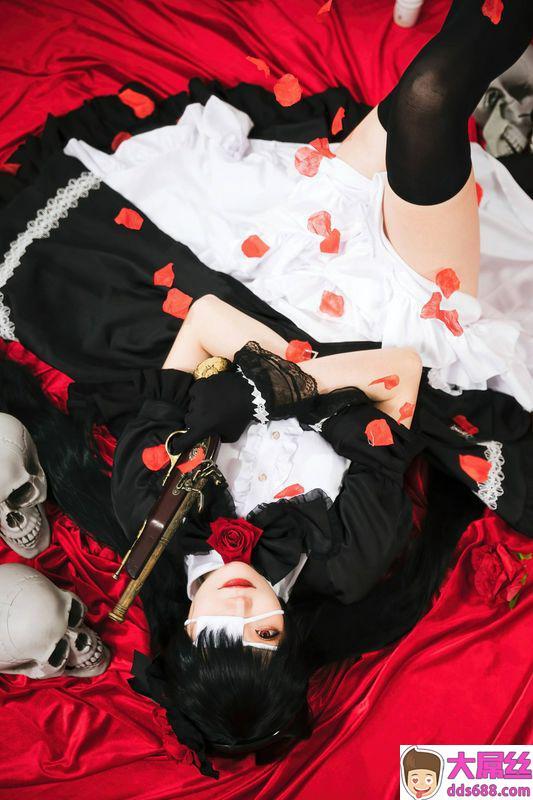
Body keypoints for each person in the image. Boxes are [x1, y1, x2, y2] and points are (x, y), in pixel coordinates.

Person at [0, 0, 532, 780]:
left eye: (221, 631)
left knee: (421, 99)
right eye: (266, 635)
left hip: (282, 286)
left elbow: (206, 319)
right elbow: (399, 375)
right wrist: (262, 395)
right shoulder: (345, 560)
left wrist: (278, 384)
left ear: (185, 633)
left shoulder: (148, 508)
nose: (245, 609)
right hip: (401, 316)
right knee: (428, 102)